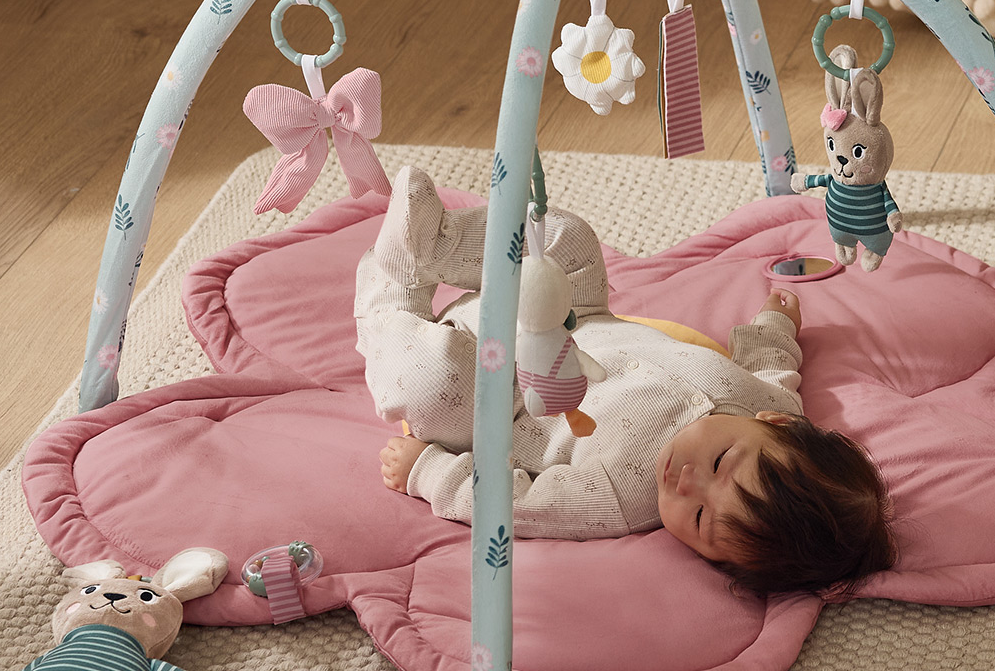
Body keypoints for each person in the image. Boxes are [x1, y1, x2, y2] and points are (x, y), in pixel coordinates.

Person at [357, 167, 895, 596]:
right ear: (775, 422)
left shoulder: (617, 498)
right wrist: (775, 323)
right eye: (719, 462)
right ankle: (436, 247)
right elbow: (772, 364)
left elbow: (516, 504)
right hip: (574, 319)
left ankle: (391, 290)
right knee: (567, 242)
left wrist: (428, 471)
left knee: (437, 380)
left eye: (700, 518)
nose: (686, 482)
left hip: (500, 400)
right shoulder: (769, 401)